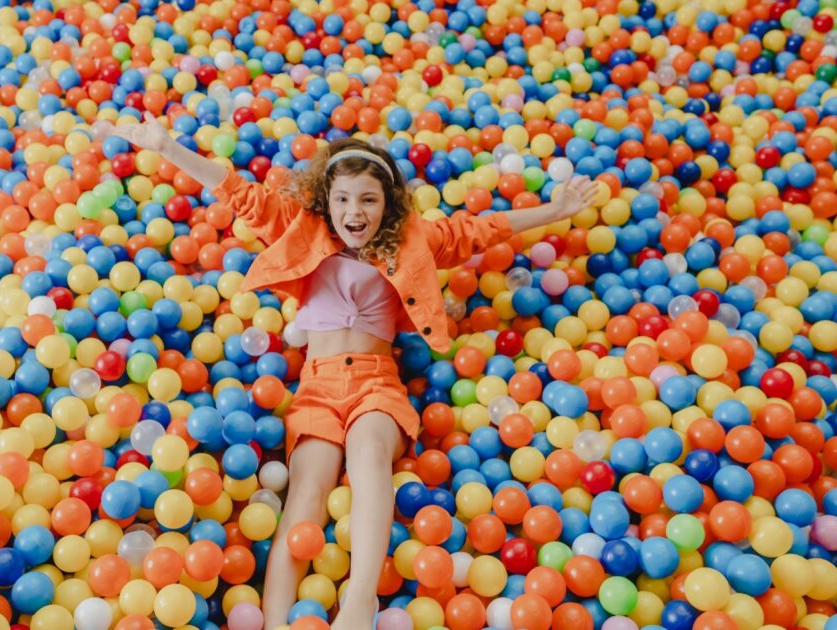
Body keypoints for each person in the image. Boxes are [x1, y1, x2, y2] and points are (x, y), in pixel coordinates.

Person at [111, 114, 598, 629]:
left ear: (387, 203)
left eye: (368, 199)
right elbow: (239, 192)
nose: (354, 211)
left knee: (368, 459)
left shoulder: (410, 242)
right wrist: (167, 146)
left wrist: (556, 209)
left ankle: (359, 603)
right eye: (343, 199)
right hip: (317, 388)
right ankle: (276, 621)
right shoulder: (302, 229)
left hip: (376, 383)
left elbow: (477, 231)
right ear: (327, 199)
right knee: (307, 490)